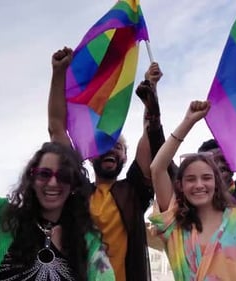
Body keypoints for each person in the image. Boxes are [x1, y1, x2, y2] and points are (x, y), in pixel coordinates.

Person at [47, 47, 164, 281]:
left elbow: (149, 136)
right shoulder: (77, 191)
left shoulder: (132, 191)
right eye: (103, 145)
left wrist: (151, 90)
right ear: (90, 155)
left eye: (117, 147)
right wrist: (58, 73)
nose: (110, 149)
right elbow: (56, 128)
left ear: (125, 157)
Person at [149, 100, 236, 281]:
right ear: (180, 186)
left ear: (216, 182)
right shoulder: (174, 225)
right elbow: (157, 168)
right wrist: (188, 122)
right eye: (190, 179)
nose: (199, 185)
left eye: (206, 178)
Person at [0, 138, 114, 279]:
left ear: (74, 185)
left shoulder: (89, 244)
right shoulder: (2, 219)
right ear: (32, 179)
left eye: (63, 176)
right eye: (44, 174)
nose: (52, 183)